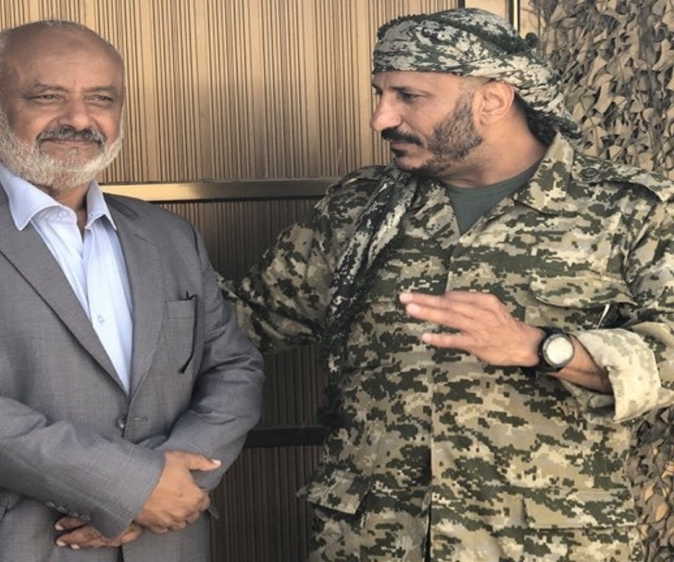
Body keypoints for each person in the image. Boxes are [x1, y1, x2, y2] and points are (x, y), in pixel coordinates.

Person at [222, 7, 674, 561]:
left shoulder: (628, 210)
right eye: (380, 93)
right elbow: (246, 321)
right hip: (377, 542)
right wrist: (135, 243)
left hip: (547, 541)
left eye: (409, 96)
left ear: (493, 99)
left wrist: (543, 348)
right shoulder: (358, 210)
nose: (380, 118)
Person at [0, 20, 264, 562]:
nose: (79, 119)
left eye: (101, 98)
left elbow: (233, 369)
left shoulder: (169, 237)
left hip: (161, 545)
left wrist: (176, 482)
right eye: (47, 97)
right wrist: (131, 487)